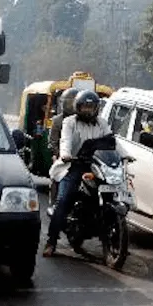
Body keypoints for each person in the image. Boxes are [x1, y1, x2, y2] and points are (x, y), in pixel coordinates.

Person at [44, 90, 112, 257]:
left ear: (96, 108)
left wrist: (126, 156)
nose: (88, 110)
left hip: (96, 166)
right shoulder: (69, 122)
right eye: (85, 107)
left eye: (91, 107)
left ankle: (109, 239)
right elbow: (65, 140)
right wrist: (65, 154)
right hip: (74, 165)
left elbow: (113, 141)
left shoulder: (102, 123)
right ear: (78, 107)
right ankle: (51, 241)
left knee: (111, 194)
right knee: (63, 200)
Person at [48, 87, 79, 204]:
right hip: (63, 156)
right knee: (55, 175)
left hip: (80, 156)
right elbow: (53, 141)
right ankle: (54, 203)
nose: (71, 106)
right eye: (69, 102)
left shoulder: (83, 120)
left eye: (73, 102)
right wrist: (58, 155)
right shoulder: (57, 120)